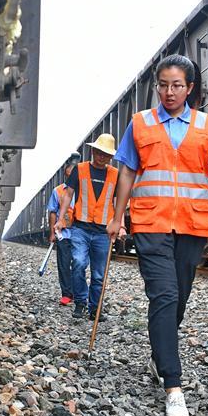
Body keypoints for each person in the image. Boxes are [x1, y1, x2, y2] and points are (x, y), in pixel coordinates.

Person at [106, 54, 208, 416]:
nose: (169, 92)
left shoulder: (206, 125)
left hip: (191, 225)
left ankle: (159, 353)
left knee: (178, 298)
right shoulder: (140, 123)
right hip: (151, 223)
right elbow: (126, 173)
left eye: (177, 86)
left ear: (190, 88)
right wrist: (117, 218)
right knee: (165, 294)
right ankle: (173, 384)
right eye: (164, 85)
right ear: (157, 87)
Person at [54, 134, 126, 320]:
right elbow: (68, 195)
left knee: (99, 274)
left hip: (103, 231)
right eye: (99, 152)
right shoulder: (80, 169)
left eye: (106, 154)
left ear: (111, 156)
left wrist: (122, 225)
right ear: (93, 151)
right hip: (81, 228)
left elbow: (119, 202)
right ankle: (80, 302)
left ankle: (95, 308)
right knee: (78, 263)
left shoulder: (115, 174)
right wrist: (61, 219)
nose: (102, 157)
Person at [46, 152, 81, 306]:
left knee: (79, 263)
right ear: (66, 172)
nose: (72, 173)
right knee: (64, 264)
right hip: (63, 234)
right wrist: (52, 233)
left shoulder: (83, 190)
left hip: (80, 232)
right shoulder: (58, 191)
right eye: (70, 170)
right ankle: (67, 294)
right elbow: (52, 211)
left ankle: (79, 293)